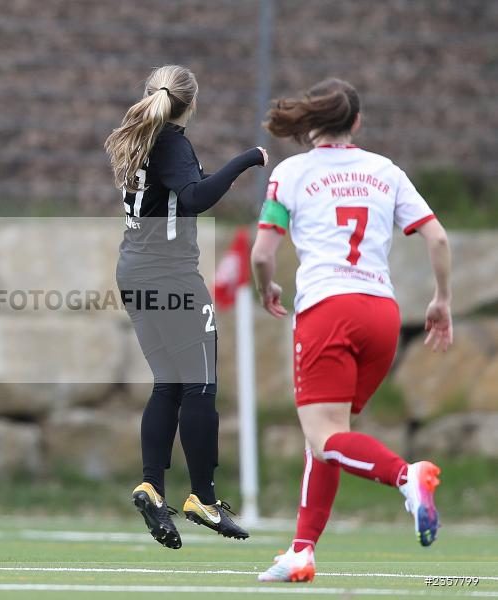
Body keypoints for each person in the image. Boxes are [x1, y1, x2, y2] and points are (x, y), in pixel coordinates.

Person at [251, 78, 452, 582]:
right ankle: (302, 550)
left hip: (327, 311)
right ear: (356, 123)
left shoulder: (291, 172)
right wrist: (442, 299)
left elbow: (261, 252)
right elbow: (438, 237)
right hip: (381, 315)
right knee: (329, 436)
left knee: (325, 437)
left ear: (313, 121)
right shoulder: (385, 171)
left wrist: (266, 287)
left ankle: (408, 477)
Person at [104, 65, 267, 548]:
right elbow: (194, 198)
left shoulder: (141, 135)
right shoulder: (170, 141)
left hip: (133, 273)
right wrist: (246, 160)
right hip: (171, 278)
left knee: (170, 384)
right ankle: (203, 498)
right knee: (200, 384)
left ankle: (152, 484)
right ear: (190, 103)